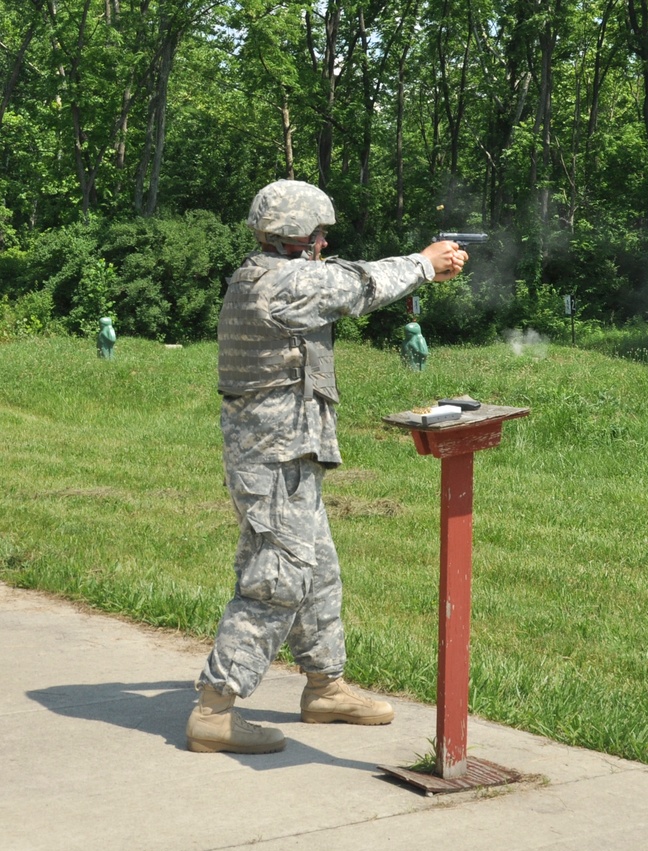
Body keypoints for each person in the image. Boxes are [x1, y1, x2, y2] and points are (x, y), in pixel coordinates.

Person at [186, 179, 468, 754]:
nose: (324, 240)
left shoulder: (266, 272)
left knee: (317, 573)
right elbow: (355, 287)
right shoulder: (283, 283)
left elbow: (343, 274)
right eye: (318, 232)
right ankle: (215, 709)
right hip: (274, 459)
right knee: (277, 579)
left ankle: (326, 688)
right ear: (300, 236)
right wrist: (421, 263)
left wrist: (418, 266)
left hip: (287, 455)